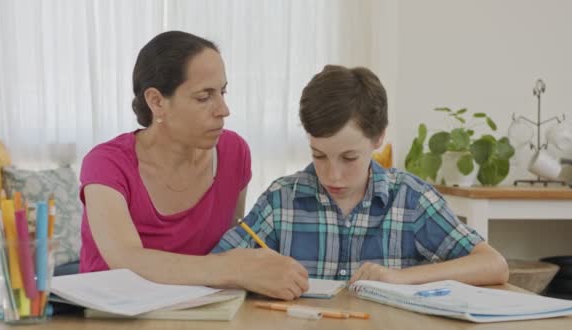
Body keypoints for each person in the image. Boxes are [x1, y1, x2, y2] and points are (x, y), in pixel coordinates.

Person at [213, 65, 509, 285]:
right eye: (319, 155)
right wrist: (253, 271)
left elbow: (493, 264)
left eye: (349, 157)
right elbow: (215, 266)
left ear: (378, 138)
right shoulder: (281, 200)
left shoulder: (411, 199)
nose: (333, 175)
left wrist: (401, 278)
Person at [79, 31, 309, 300]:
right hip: (108, 321)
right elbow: (126, 259)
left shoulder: (234, 153)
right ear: (157, 101)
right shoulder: (107, 164)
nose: (223, 109)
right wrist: (234, 266)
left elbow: (226, 244)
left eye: (222, 92)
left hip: (199, 317)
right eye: (204, 97)